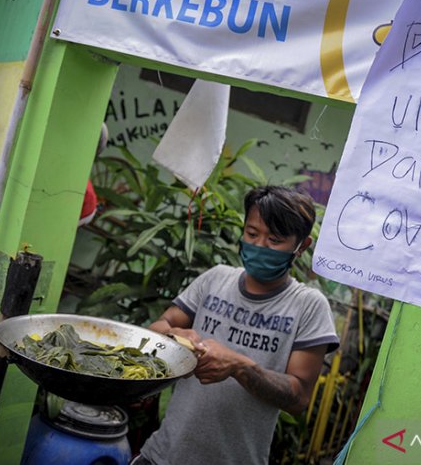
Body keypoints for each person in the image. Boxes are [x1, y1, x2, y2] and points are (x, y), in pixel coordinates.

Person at [134, 185, 340, 465]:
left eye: (275, 239)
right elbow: (160, 325)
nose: (259, 246)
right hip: (160, 456)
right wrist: (173, 336)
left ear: (301, 246)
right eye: (252, 234)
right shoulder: (215, 279)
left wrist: (239, 367)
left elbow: (299, 397)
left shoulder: (308, 306)